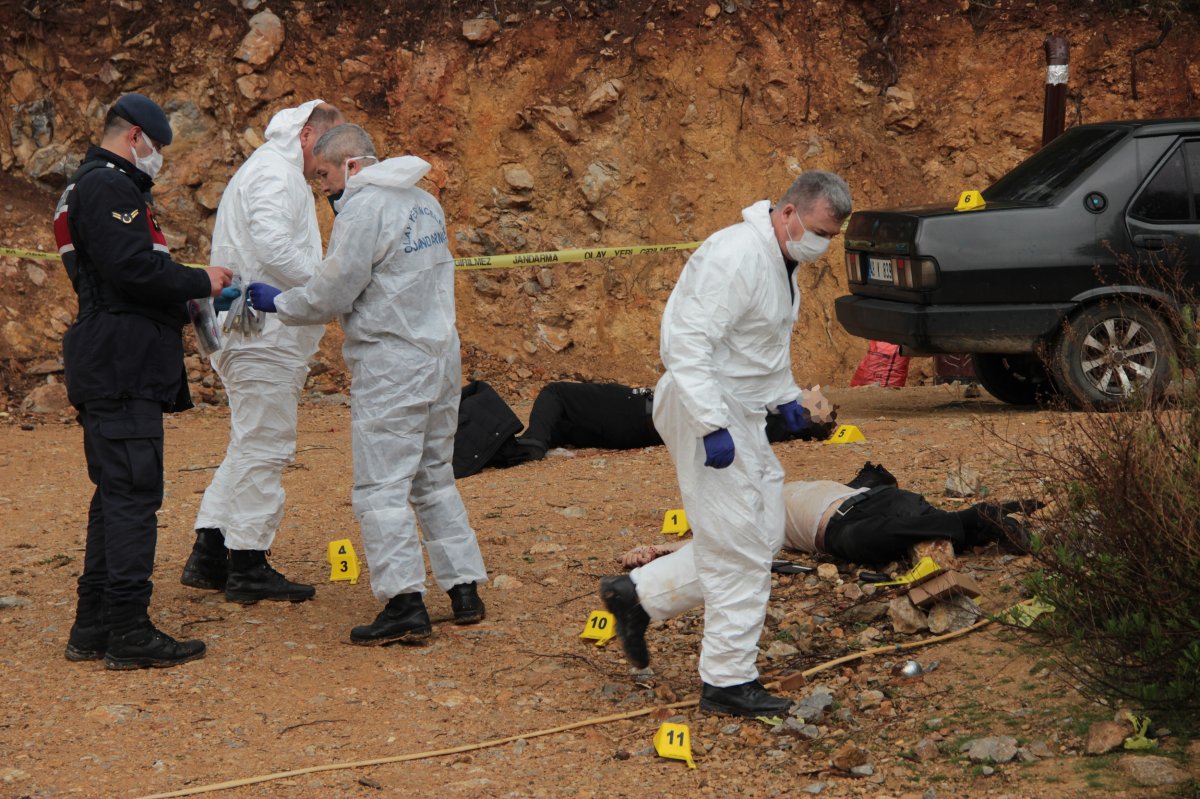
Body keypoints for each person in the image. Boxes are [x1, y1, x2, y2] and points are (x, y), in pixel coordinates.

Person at [601, 171, 853, 718]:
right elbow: (685, 342)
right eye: (817, 231)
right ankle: (728, 682)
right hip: (703, 407)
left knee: (759, 532)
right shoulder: (734, 255)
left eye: (830, 237)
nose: (821, 245)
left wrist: (785, 400)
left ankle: (638, 596)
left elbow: (759, 350)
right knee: (740, 545)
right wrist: (711, 423)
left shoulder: (780, 263)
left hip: (735, 408)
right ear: (788, 213)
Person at [245, 124, 488, 644]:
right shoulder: (423, 202)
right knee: (433, 477)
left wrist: (278, 302)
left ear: (350, 164)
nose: (324, 188)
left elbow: (334, 291)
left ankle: (404, 603)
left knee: (382, 487)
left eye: (324, 175)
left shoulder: (364, 209)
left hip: (392, 363)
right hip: (440, 356)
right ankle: (463, 588)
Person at [53, 93, 234, 669]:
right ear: (136, 138)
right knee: (133, 493)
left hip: (110, 355)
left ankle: (95, 623)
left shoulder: (86, 186)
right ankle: (129, 629)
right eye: (158, 149)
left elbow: (116, 273)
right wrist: (198, 279)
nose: (157, 160)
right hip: (121, 358)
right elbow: (132, 269)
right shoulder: (108, 186)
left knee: (115, 494)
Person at [181, 100, 344, 604]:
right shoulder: (276, 174)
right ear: (307, 135)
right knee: (267, 443)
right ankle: (249, 561)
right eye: (331, 144)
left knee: (249, 440)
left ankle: (210, 551)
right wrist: (325, 285)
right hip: (261, 334)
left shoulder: (270, 171)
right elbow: (274, 248)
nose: (333, 157)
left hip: (251, 331)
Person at [618, 462, 1034, 573]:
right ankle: (985, 521)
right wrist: (656, 549)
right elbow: (708, 547)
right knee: (891, 536)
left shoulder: (764, 496)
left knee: (874, 538)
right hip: (854, 520)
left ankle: (978, 521)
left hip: (869, 507)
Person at [514, 382, 837, 460]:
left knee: (555, 393)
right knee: (568, 421)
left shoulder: (764, 410)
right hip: (640, 422)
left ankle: (533, 444)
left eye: (819, 400)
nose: (816, 388)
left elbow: (771, 386)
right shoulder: (767, 422)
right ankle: (539, 441)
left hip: (643, 412)